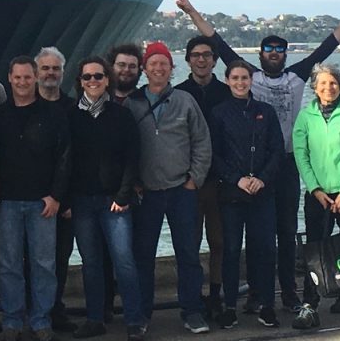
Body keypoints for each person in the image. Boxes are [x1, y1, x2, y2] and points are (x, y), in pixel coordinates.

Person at [173, 0, 340, 311]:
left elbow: (328, 45)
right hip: (258, 164)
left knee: (287, 230)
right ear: (261, 55)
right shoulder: (249, 77)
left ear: (286, 53)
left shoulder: (297, 77)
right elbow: (218, 43)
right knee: (257, 235)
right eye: (269, 49)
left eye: (280, 48)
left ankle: (290, 292)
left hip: (288, 164)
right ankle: (255, 293)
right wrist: (191, 11)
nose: (274, 53)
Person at [124, 41, 212, 334]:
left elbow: (202, 141)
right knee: (143, 256)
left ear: (171, 69)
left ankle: (192, 311)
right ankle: (142, 314)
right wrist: (132, 183)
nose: (158, 68)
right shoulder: (132, 103)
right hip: (146, 192)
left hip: (180, 190)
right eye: (152, 63)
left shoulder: (185, 100)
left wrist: (194, 179)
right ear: (144, 69)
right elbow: (123, 149)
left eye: (163, 63)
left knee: (188, 253)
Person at [0, 56, 71, 341]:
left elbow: (64, 157)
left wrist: (57, 196)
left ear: (35, 78)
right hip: (8, 202)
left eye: (27, 77)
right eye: (18, 77)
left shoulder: (53, 114)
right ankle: (12, 321)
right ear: (9, 78)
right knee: (9, 264)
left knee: (44, 265)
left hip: (42, 203)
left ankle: (40, 321)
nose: (23, 82)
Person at [67, 56, 145, 341]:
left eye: (98, 76)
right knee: (91, 263)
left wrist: (123, 195)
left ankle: (135, 320)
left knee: (124, 261)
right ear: (80, 81)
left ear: (107, 80)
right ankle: (95, 318)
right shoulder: (71, 116)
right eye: (87, 77)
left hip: (115, 200)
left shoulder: (120, 115)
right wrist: (66, 201)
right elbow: (66, 160)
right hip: (82, 200)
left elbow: (132, 157)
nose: (93, 82)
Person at [290, 63, 340, 332]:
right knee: (315, 251)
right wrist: (315, 189)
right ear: (314, 87)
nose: (328, 88)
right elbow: (302, 155)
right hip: (318, 195)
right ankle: (310, 305)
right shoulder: (305, 117)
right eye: (322, 83)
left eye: (333, 83)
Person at [209, 59, 284, 331]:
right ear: (227, 80)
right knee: (230, 250)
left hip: (262, 193)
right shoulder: (218, 113)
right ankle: (229, 306)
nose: (240, 83)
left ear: (252, 81)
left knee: (264, 249)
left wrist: (261, 179)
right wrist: (236, 179)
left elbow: (277, 150)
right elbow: (214, 154)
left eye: (245, 78)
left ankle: (265, 304)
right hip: (231, 193)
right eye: (235, 78)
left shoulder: (266, 111)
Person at [175, 36, 229, 320]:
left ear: (214, 60)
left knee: (219, 242)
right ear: (187, 60)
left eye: (207, 55)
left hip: (220, 179)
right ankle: (193, 297)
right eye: (196, 55)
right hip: (189, 181)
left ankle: (216, 294)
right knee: (190, 243)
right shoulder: (178, 93)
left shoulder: (226, 91)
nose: (201, 59)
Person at [36, 46, 78, 333]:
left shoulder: (73, 109)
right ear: (38, 72)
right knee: (32, 259)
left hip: (62, 200)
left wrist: (66, 199)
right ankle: (35, 308)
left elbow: (79, 157)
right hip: (31, 199)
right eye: (46, 68)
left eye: (56, 69)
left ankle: (55, 307)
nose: (50, 73)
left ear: (63, 73)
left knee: (60, 258)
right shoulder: (24, 105)